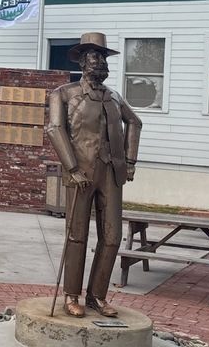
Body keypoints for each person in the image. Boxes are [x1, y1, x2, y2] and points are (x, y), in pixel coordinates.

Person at [45, 32, 142, 318]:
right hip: (81, 173)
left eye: (103, 58)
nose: (99, 63)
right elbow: (54, 129)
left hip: (111, 173)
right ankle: (71, 295)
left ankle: (97, 296)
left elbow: (134, 122)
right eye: (94, 58)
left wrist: (130, 161)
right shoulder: (64, 93)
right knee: (77, 236)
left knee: (111, 237)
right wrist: (72, 168)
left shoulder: (114, 97)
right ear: (82, 62)